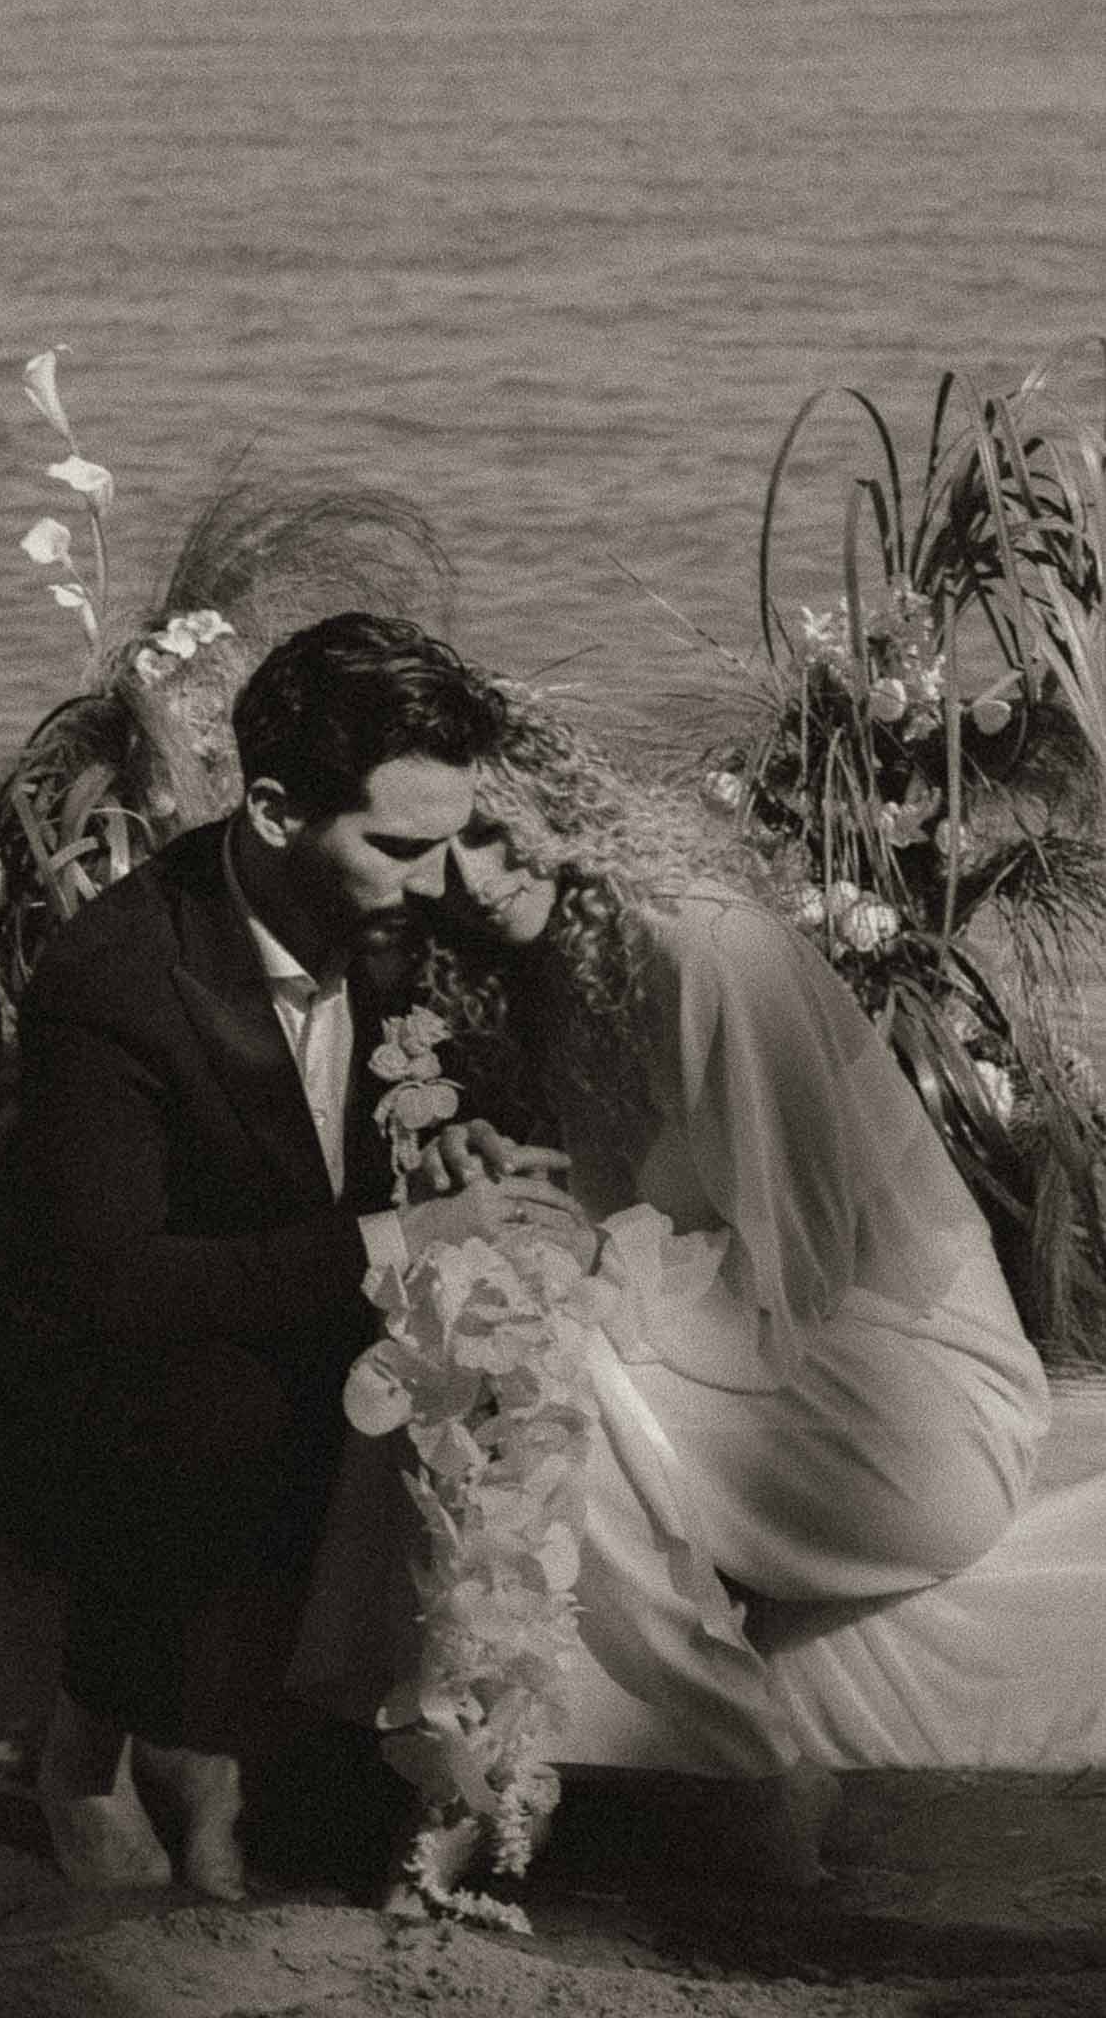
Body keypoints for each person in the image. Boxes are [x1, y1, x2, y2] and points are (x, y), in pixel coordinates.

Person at [289, 686, 1053, 1892]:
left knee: (540, 1359)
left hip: (901, 1399)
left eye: (501, 833)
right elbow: (641, 1214)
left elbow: (791, 1278)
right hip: (750, 1374)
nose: (473, 879)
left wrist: (581, 1262)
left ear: (573, 810)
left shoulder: (710, 950)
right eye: (445, 848)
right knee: (482, 1322)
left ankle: (731, 1773)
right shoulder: (549, 972)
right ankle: (474, 1752)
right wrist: (510, 1185)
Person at [0, 616, 588, 1894]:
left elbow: (377, 1090)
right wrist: (402, 1236)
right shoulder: (115, 979)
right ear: (273, 808)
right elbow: (114, 1286)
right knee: (227, 1403)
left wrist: (447, 1137)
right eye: (400, 845)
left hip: (274, 1302)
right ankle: (97, 1761)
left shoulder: (379, 909)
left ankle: (312, 1744)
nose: (437, 880)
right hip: (107, 1374)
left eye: (446, 837)